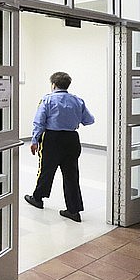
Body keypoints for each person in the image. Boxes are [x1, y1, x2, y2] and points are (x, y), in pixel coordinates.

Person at [24, 72, 95, 222]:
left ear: (53, 85)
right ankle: (73, 210)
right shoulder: (78, 100)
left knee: (46, 170)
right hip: (72, 139)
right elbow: (89, 120)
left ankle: (38, 198)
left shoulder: (47, 100)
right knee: (71, 175)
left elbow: (39, 122)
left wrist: (35, 140)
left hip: (52, 139)